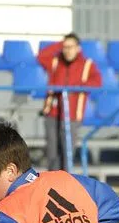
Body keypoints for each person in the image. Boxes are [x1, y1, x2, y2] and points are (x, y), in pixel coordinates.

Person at [38, 33, 101, 171]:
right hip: (52, 113)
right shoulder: (56, 61)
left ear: (78, 48)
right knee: (52, 152)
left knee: (68, 152)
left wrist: (78, 87)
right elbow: (41, 57)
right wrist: (60, 44)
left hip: (72, 115)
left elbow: (97, 82)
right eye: (65, 47)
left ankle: (66, 183)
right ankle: (52, 183)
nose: (67, 50)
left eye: (71, 47)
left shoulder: (87, 64)